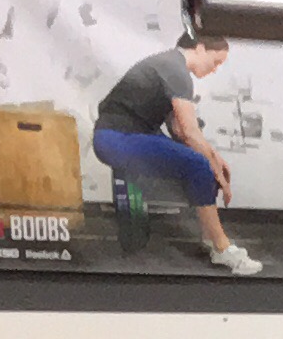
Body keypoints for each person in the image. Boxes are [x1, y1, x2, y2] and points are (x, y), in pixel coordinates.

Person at [92, 32, 261, 275]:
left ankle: (210, 237)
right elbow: (189, 132)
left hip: (123, 136)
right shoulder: (175, 69)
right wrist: (215, 168)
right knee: (199, 164)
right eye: (216, 62)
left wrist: (215, 159)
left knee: (201, 162)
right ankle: (222, 248)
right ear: (200, 48)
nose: (215, 70)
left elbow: (179, 130)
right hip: (116, 138)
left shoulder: (169, 64)